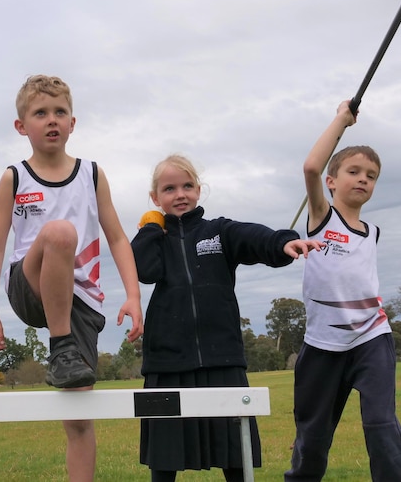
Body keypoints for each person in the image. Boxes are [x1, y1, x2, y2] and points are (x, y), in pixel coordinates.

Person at [0, 74, 144, 482]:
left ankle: (65, 351)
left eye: (60, 112)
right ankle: (60, 346)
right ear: (22, 126)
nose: (51, 120)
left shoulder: (91, 174)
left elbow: (118, 237)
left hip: (80, 303)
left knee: (79, 418)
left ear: (73, 122)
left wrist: (133, 296)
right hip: (29, 285)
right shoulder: (14, 178)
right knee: (58, 232)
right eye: (40, 113)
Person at [132, 154, 323, 482]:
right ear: (155, 197)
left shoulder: (217, 232)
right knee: (164, 460)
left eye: (187, 186)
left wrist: (283, 242)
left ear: (199, 189)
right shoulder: (155, 239)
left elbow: (254, 238)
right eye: (169, 188)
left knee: (236, 454)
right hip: (168, 365)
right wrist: (151, 224)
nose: (180, 194)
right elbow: (144, 270)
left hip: (223, 360)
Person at [285, 101, 401, 481]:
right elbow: (310, 166)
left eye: (371, 175)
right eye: (353, 171)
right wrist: (342, 120)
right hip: (323, 344)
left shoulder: (373, 231)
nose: (363, 179)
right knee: (312, 437)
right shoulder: (322, 218)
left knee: (381, 423)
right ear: (331, 181)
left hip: (372, 337)